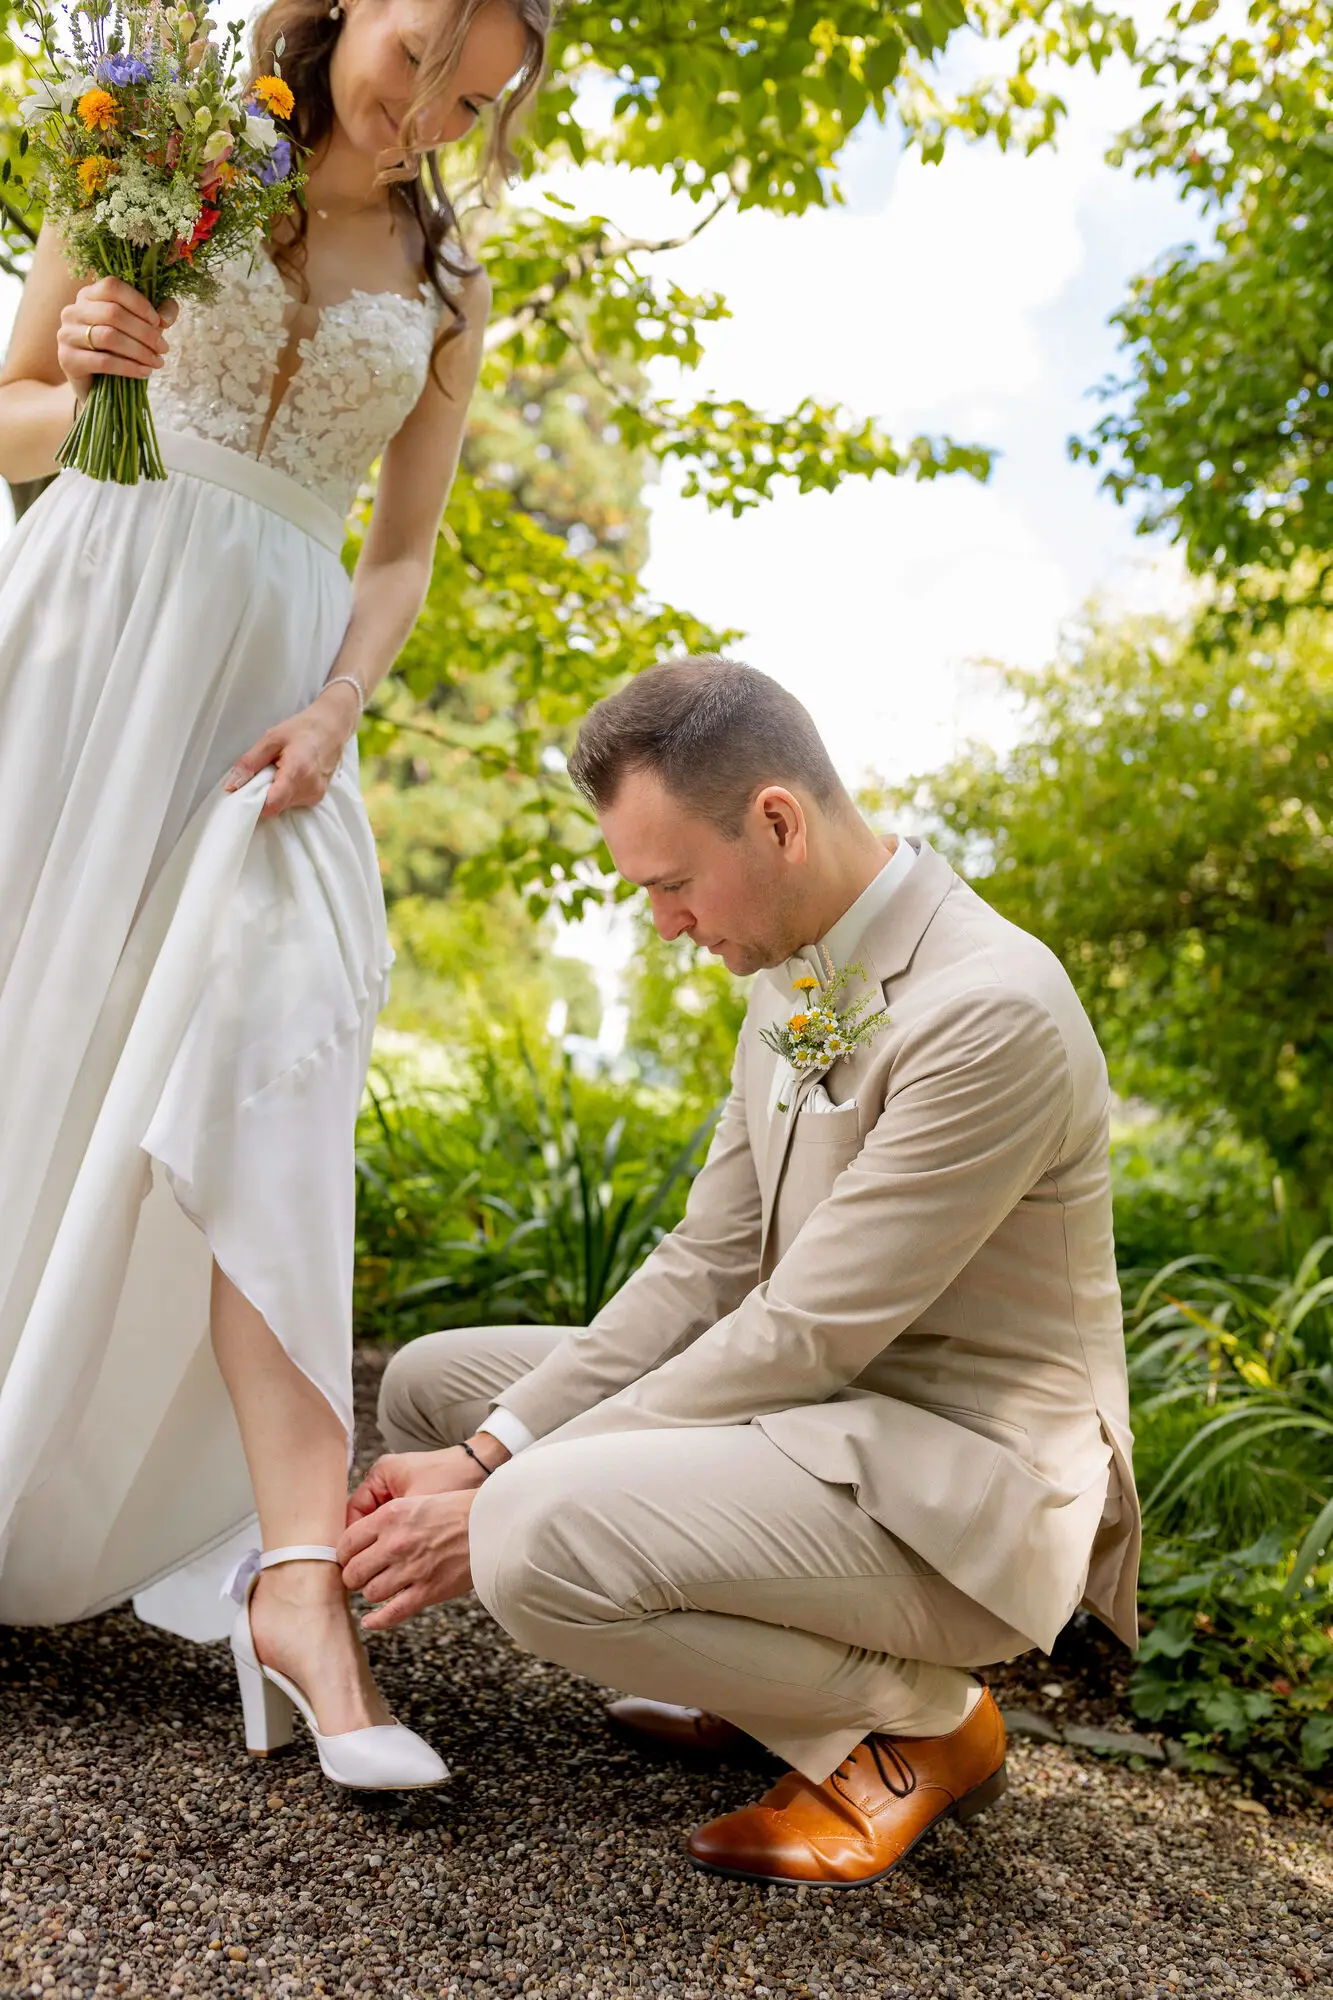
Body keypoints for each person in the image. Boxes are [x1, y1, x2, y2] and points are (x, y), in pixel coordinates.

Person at [341, 654, 1141, 1884]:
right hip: (809, 1418)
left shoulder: (994, 1010)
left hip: (953, 1486)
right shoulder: (790, 972)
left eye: (670, 882)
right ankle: (749, 1657)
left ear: (777, 819)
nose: (663, 922)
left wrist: (501, 1496)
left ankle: (915, 1724)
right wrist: (487, 1449)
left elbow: (805, 1329)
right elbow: (706, 1259)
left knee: (527, 1540)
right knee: (443, 1389)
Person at [0, 0, 548, 1792]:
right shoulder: (150, 151)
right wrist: (79, 375)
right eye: (413, 65)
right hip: (87, 640)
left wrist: (337, 704)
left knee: (279, 1048)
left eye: (471, 102)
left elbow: (399, 546)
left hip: (273, 714)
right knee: (34, 1027)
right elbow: (10, 421)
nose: (422, 116)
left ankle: (294, 1584)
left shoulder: (450, 287)